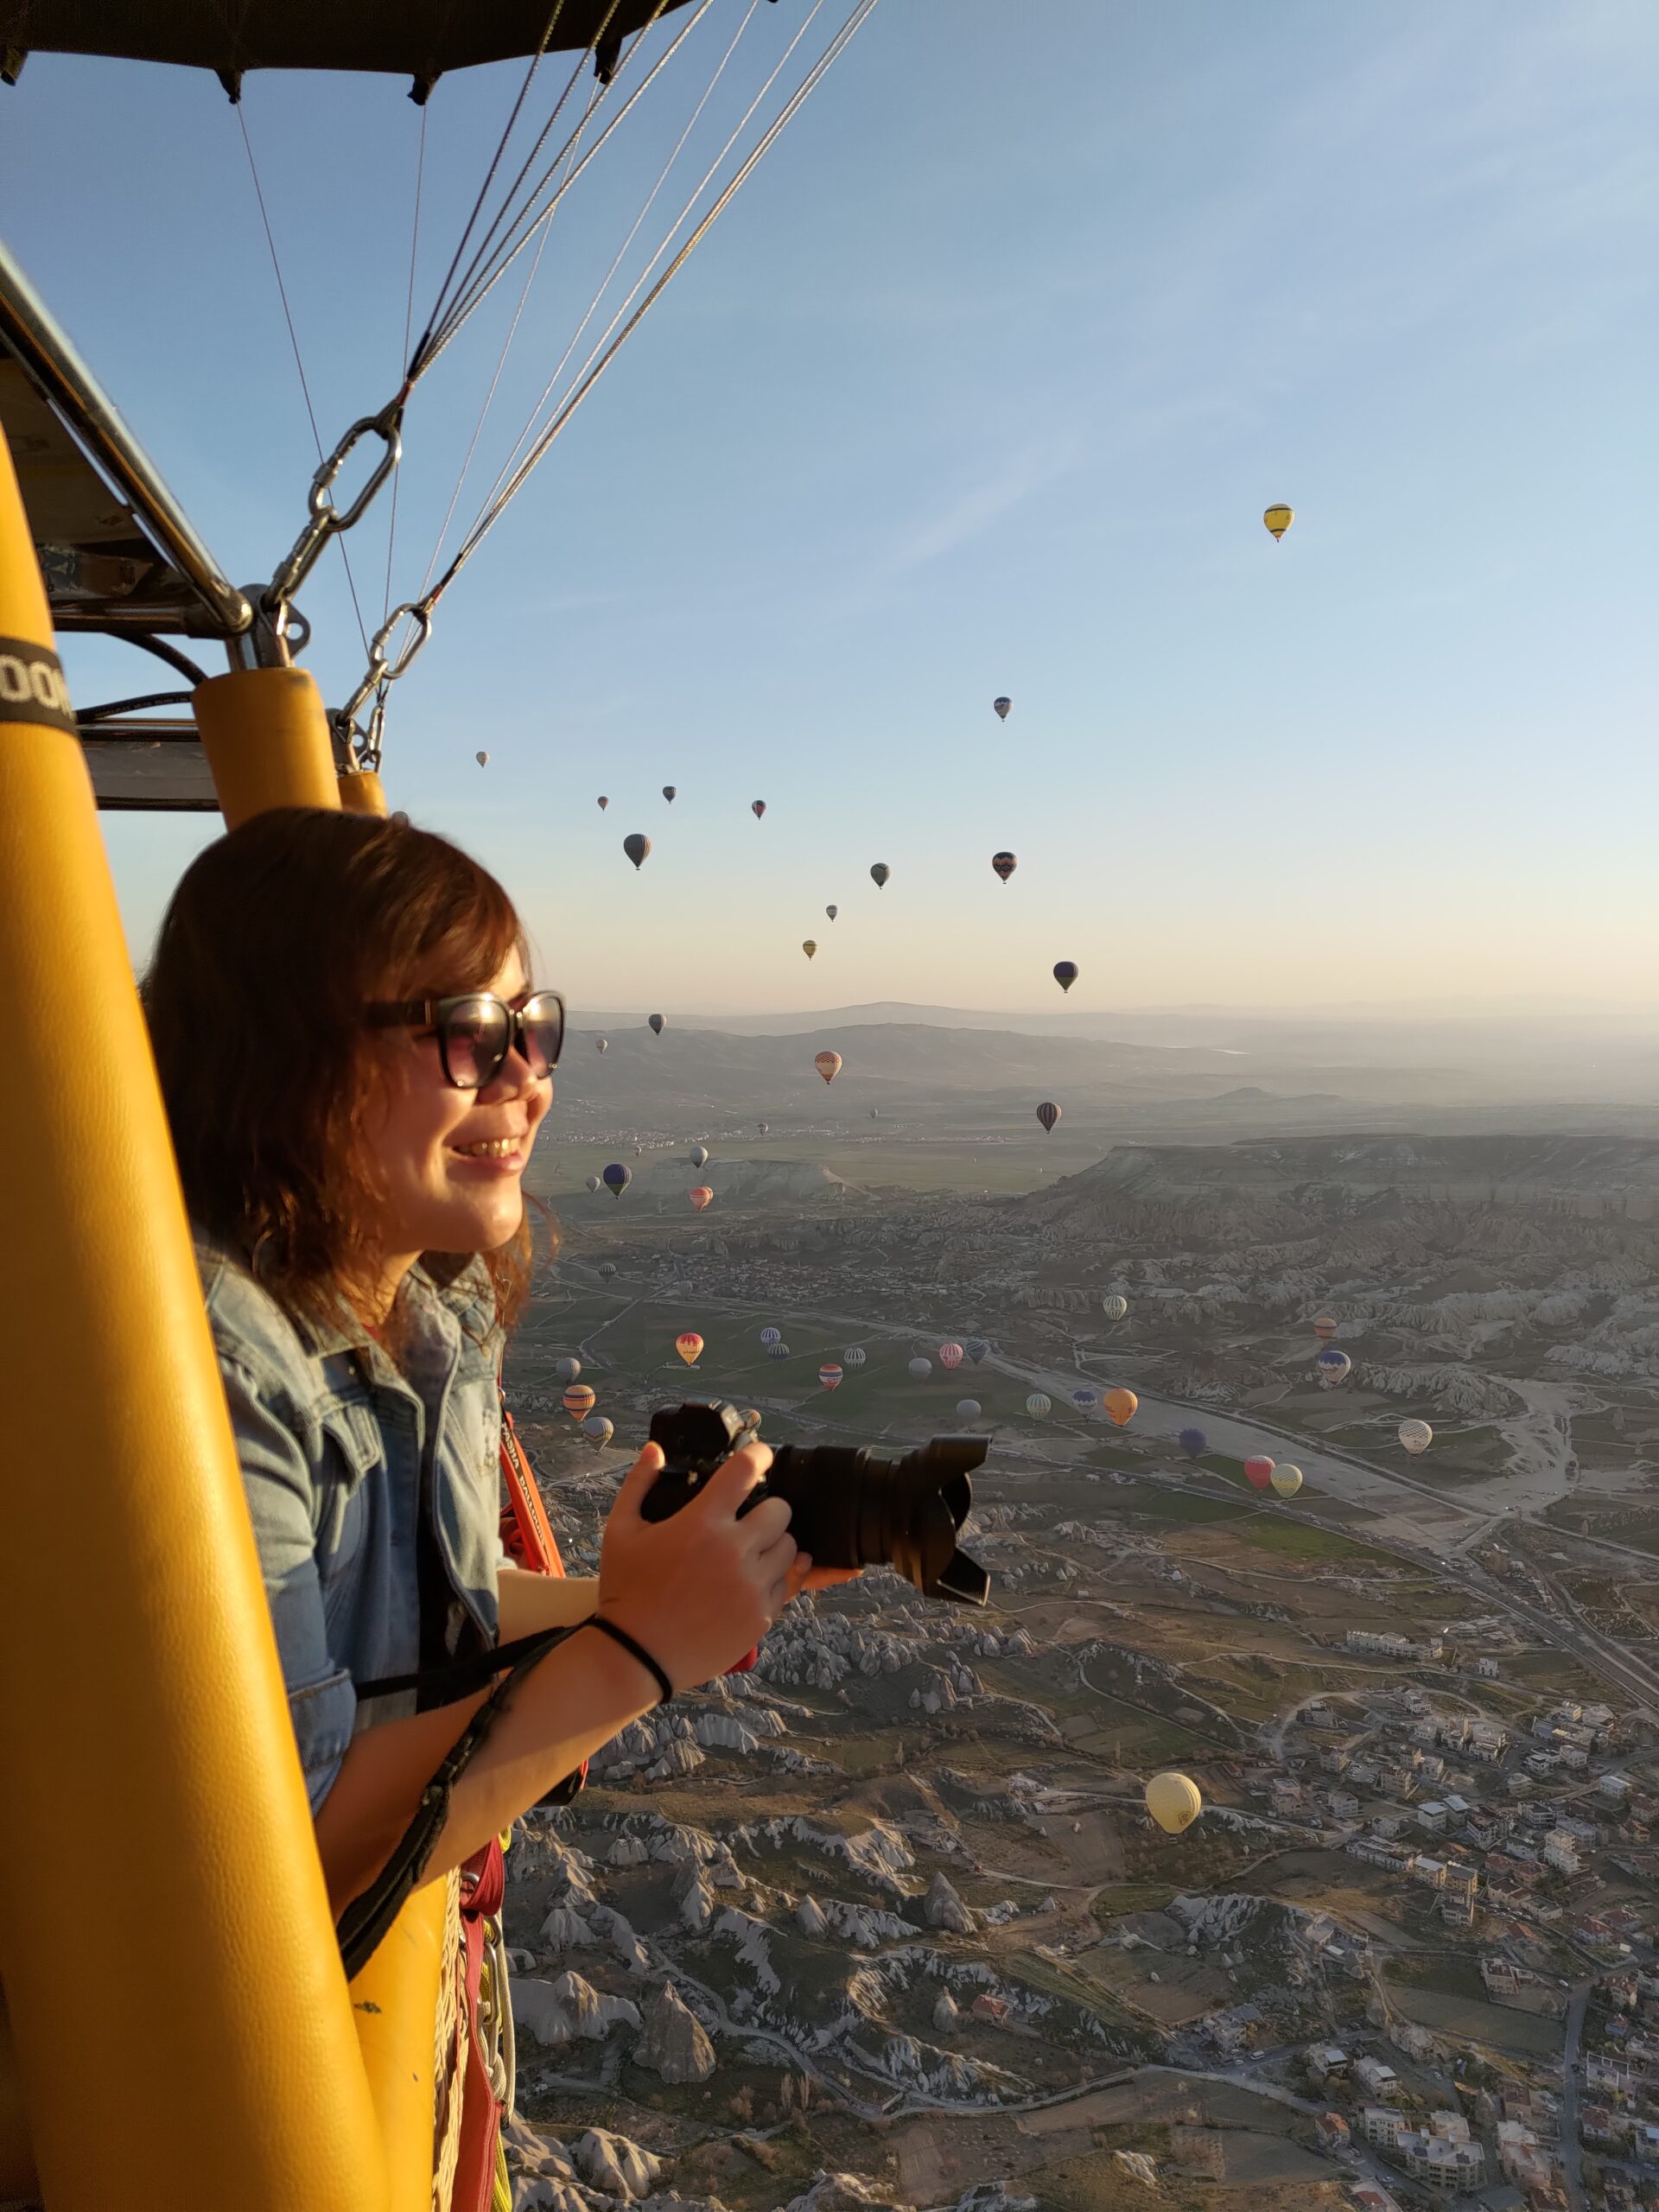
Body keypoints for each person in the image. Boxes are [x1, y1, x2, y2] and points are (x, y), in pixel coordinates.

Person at [143, 806, 839, 1925]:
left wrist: (651, 1593)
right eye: (471, 1029)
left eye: (535, 1025)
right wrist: (636, 1648)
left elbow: (427, 1614)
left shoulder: (426, 1312)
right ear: (281, 1057)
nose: (528, 1076)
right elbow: (273, 1871)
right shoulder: (205, 1372)